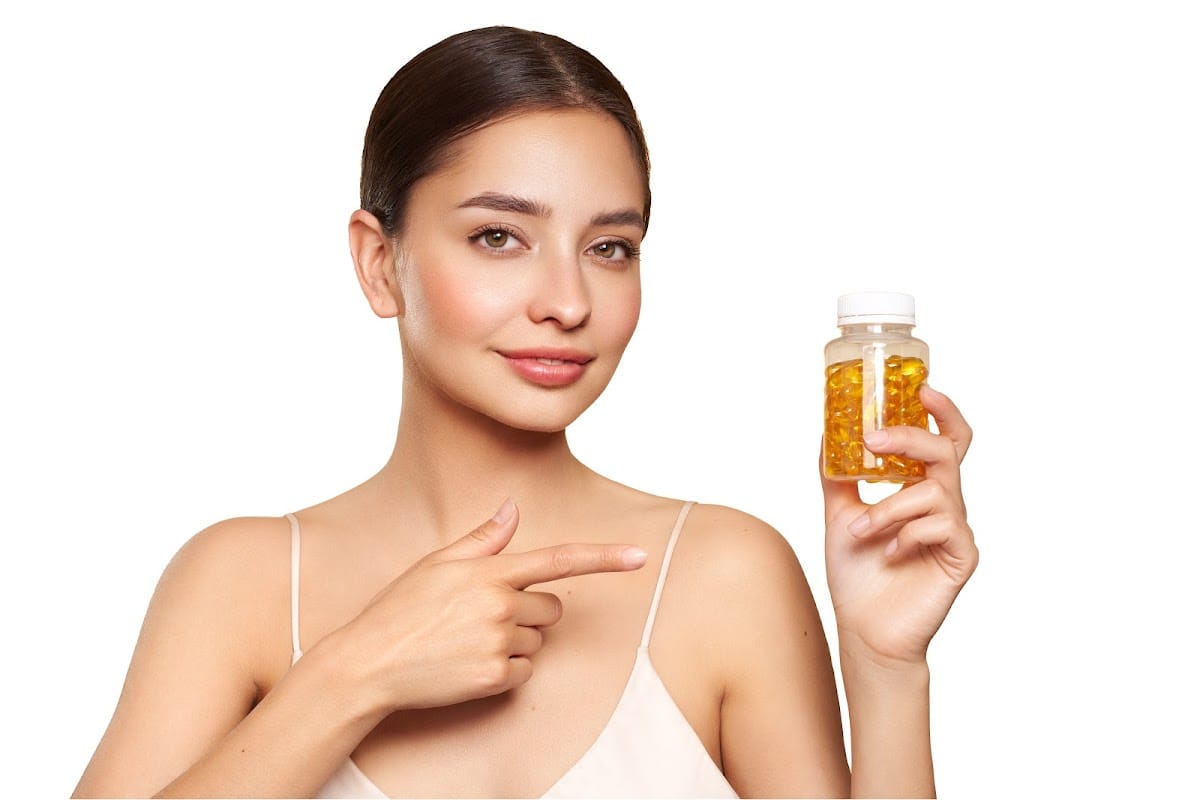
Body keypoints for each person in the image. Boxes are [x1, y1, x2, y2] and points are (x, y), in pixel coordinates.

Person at [73, 25, 977, 799]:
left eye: (611, 247)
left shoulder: (727, 575)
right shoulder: (241, 583)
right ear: (378, 263)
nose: (568, 301)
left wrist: (886, 668)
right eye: (498, 236)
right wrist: (358, 670)